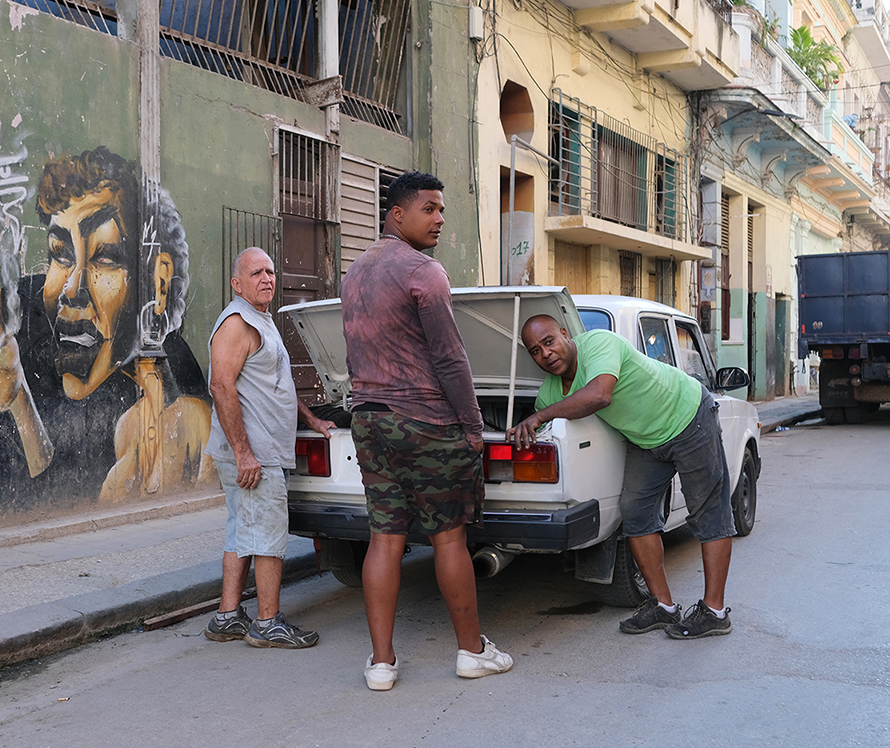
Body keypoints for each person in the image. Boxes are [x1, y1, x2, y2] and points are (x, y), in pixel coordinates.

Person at [0, 147, 213, 516]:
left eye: (106, 257)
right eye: (60, 253)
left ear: (157, 285)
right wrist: (13, 406)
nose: (71, 288)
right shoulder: (16, 318)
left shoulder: (178, 401)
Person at [342, 171, 513, 691]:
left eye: (442, 209)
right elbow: (449, 357)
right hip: (426, 421)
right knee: (449, 538)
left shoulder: (356, 272)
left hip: (369, 418)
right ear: (397, 214)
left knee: (384, 539)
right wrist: (473, 426)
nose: (439, 219)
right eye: (429, 209)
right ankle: (472, 652)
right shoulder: (424, 271)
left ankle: (381, 663)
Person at [507, 314, 735, 640]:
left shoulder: (599, 343)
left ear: (565, 334)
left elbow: (600, 394)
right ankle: (663, 606)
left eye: (549, 342)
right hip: (645, 440)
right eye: (535, 351)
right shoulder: (550, 393)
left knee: (708, 513)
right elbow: (553, 431)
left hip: (687, 415)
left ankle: (715, 613)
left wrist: (538, 416)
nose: (546, 354)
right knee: (635, 512)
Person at [203, 247, 335, 649]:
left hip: (258, 451)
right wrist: (244, 453)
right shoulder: (237, 323)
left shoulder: (261, 319)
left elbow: (277, 384)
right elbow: (220, 385)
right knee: (267, 536)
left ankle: (227, 617)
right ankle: (267, 623)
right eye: (256, 272)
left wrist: (312, 420)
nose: (267, 278)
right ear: (236, 284)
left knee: (242, 531)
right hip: (253, 454)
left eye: (271, 271)